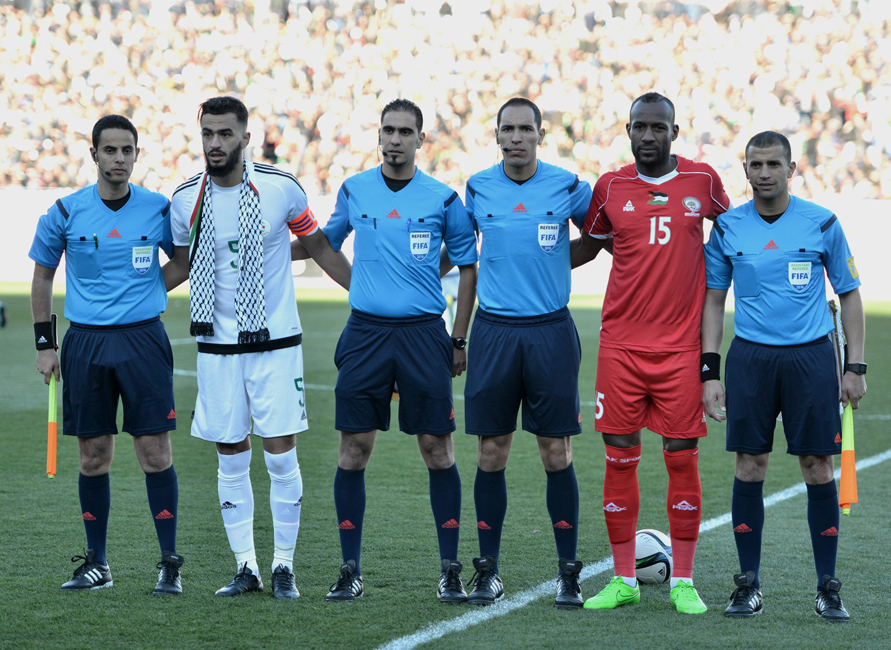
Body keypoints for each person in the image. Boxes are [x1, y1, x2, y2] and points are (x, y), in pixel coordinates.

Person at [164, 96, 351, 600]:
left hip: (275, 343)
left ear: (245, 138)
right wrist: (125, 299)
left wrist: (368, 294)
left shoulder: (280, 188)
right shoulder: (185, 199)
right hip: (216, 346)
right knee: (230, 456)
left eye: (225, 134)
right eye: (208, 133)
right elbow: (180, 264)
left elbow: (318, 248)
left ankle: (283, 566)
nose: (215, 143)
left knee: (280, 454)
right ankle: (245, 566)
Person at [572, 92, 730, 614]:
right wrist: (528, 249)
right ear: (628, 130)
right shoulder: (610, 186)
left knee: (682, 460)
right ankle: (623, 580)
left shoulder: (703, 182)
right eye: (639, 127)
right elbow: (588, 247)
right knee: (619, 460)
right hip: (620, 347)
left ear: (674, 133)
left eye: (657, 128)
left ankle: (683, 581)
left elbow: (737, 234)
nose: (647, 136)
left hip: (681, 349)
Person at [702, 131, 866, 622]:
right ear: (746, 169)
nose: (765, 172)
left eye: (775, 163)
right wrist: (709, 371)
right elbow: (713, 299)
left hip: (811, 360)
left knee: (818, 467)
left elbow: (850, 292)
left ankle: (827, 587)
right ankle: (747, 584)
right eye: (757, 164)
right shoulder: (728, 228)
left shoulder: (822, 223)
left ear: (792, 169)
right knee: (749, 466)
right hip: (750, 360)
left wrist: (854, 366)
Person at [321, 98, 478, 603]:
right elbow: (325, 243)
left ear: (419, 140)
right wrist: (358, 285)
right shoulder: (354, 189)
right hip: (365, 334)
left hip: (423, 335)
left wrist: (458, 337)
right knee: (354, 449)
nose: (394, 140)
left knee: (437, 450)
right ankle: (350, 569)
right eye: (387, 131)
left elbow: (467, 264)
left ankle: (450, 568)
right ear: (379, 136)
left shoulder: (443, 198)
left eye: (404, 132)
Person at [29, 115, 184, 595]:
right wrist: (44, 344)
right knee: (93, 455)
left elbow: (181, 261)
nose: (119, 158)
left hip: (143, 341)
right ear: (93, 154)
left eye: (127, 150)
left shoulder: (158, 209)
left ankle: (169, 562)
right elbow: (42, 276)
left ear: (137, 154)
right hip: (86, 343)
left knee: (154, 452)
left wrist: (147, 292)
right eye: (110, 150)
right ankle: (97, 562)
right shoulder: (64, 210)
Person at [454, 97, 592, 609]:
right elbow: (463, 257)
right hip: (493, 332)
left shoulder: (568, 185)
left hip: (550, 332)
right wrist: (460, 336)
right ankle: (487, 570)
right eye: (507, 129)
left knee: (556, 452)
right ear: (497, 136)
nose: (515, 138)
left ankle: (568, 572)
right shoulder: (477, 187)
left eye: (525, 130)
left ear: (540, 135)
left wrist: (554, 261)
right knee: (492, 452)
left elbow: (597, 238)